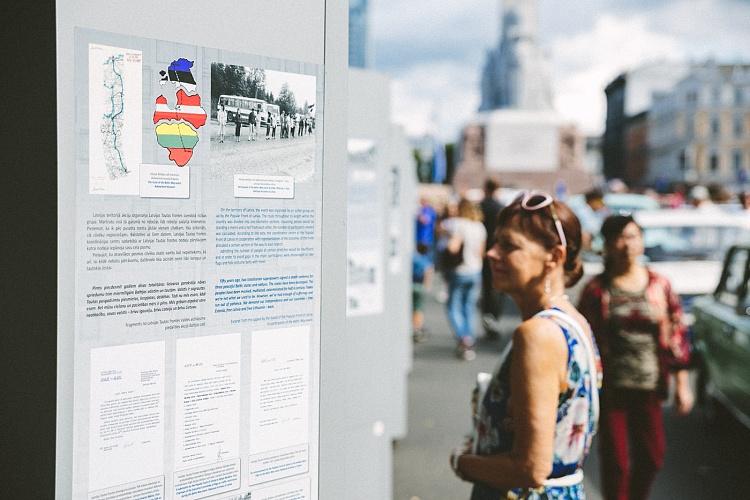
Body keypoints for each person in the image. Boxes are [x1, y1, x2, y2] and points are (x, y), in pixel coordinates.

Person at [451, 191, 600, 499]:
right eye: (495, 243)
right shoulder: (573, 321)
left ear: (555, 257)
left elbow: (530, 469)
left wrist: (463, 462)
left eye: (509, 245)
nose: (492, 253)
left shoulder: (538, 334)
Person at [578, 214, 693, 500]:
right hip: (612, 389)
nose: (626, 245)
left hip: (650, 385)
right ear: (607, 245)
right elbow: (584, 342)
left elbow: (677, 336)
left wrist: (682, 385)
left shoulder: (659, 285)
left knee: (652, 456)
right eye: (618, 238)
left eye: (632, 237)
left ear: (641, 241)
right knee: (615, 462)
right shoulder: (597, 290)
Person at [444, 199, 486, 360]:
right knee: (469, 306)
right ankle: (470, 338)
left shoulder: (459, 225)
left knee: (453, 306)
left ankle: (463, 338)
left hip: (460, 270)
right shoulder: (480, 227)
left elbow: (452, 248)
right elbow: (480, 252)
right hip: (476, 270)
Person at [479, 177, 504, 337]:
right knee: (498, 285)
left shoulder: (479, 207)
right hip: (497, 250)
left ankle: (487, 314)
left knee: (486, 286)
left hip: (480, 251)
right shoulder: (500, 208)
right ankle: (493, 315)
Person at [412, 242, 434, 343]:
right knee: (418, 309)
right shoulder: (426, 261)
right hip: (420, 286)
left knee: (411, 307)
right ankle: (417, 328)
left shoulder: (413, 258)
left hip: (411, 285)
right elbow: (428, 272)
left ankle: (412, 326)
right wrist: (427, 286)